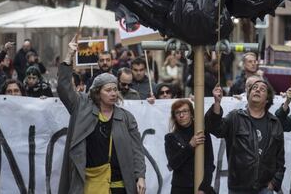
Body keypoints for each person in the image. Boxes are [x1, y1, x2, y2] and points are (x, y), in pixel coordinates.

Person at [57, 38, 146, 194]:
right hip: (91, 186)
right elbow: (64, 88)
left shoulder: (126, 118)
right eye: (108, 90)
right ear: (97, 93)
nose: (113, 93)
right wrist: (68, 57)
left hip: (120, 186)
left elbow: (136, 150)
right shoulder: (82, 109)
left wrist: (140, 176)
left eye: (115, 89)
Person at [205, 81, 285, 193]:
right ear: (248, 95)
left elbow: (280, 159)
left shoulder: (275, 123)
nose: (257, 90)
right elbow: (215, 129)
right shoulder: (235, 117)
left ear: (267, 99)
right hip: (238, 188)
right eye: (254, 88)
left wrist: (273, 183)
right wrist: (217, 103)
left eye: (262, 89)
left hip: (264, 189)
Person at [164, 99, 215, 193]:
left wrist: (204, 188)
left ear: (191, 113)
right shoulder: (170, 138)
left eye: (184, 111)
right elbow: (173, 164)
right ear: (174, 116)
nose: (181, 115)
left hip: (202, 187)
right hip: (180, 189)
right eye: (177, 112)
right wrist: (190, 146)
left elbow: (209, 163)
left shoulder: (202, 133)